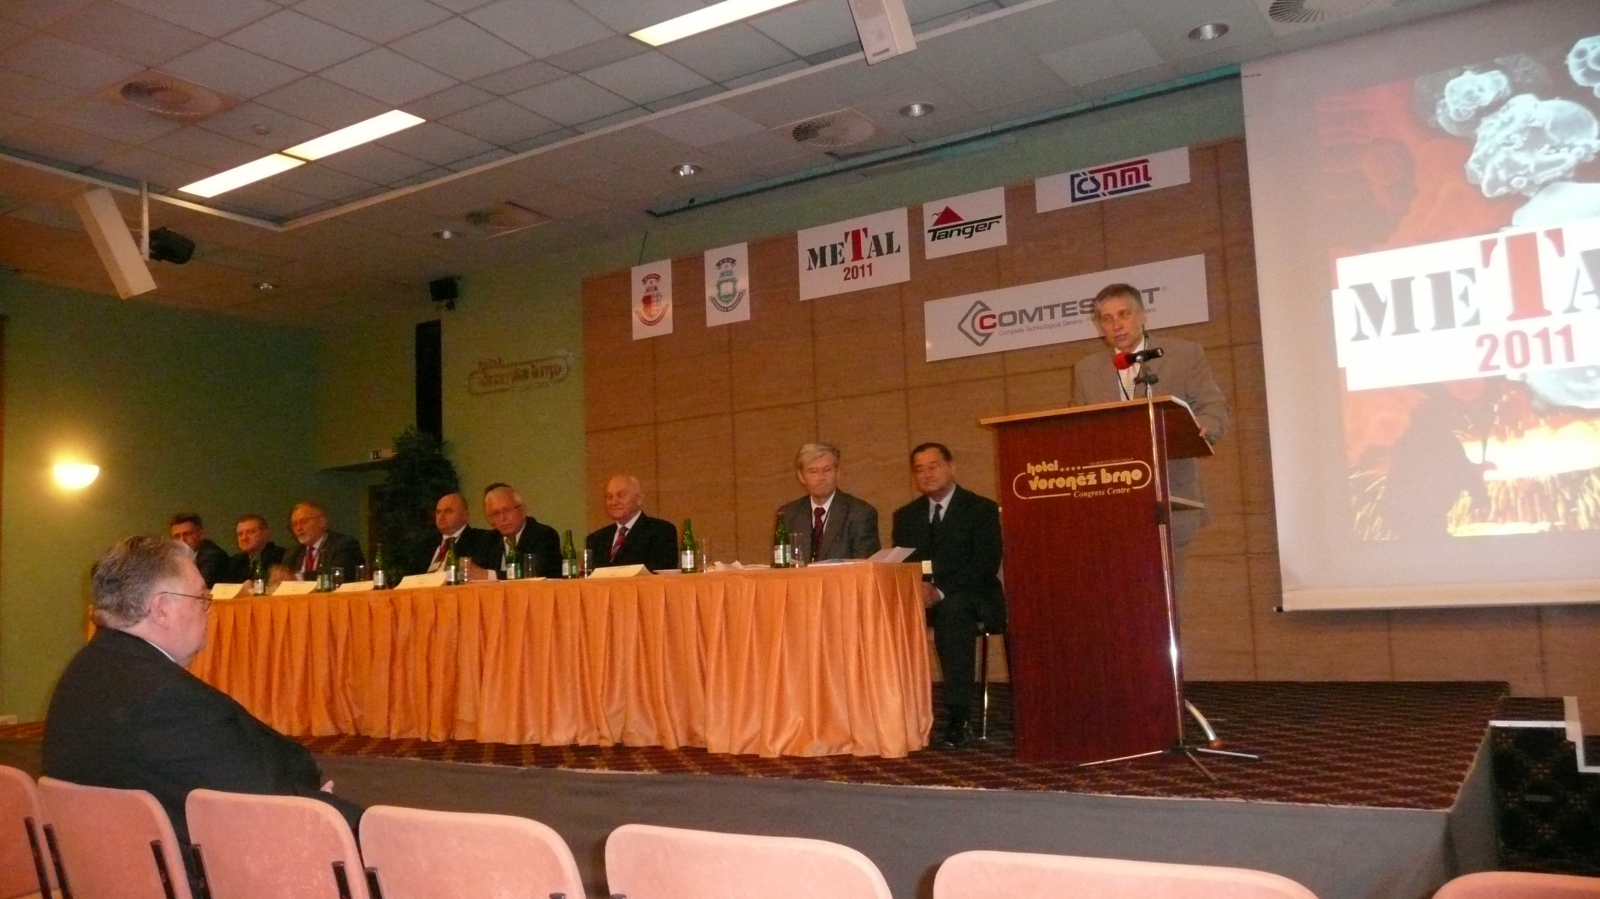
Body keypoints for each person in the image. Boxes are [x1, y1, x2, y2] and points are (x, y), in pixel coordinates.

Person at [42, 536, 364, 857]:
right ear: (161, 609)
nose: (208, 609)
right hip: (180, 868)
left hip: (107, 863)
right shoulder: (165, 697)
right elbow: (260, 800)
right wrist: (321, 806)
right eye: (200, 597)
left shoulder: (83, 671)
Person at [1071, 282, 1230, 585]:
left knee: (1164, 590)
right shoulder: (1086, 370)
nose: (1117, 325)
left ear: (1143, 315)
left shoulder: (1183, 354)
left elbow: (1214, 406)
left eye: (1124, 314)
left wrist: (1203, 428)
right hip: (1111, 501)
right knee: (1121, 591)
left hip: (1171, 495)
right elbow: (1077, 427)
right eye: (1107, 319)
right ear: (1099, 326)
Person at [890, 443, 1004, 750]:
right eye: (919, 469)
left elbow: (984, 565)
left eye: (934, 466)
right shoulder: (906, 516)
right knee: (881, 613)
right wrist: (917, 588)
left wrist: (938, 591)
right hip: (921, 599)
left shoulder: (980, 509)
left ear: (951, 467)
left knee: (953, 612)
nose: (927, 474)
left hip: (972, 598)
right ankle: (892, 712)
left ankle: (959, 717)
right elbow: (902, 566)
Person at [776, 443, 880, 562]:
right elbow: (782, 564)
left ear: (837, 472)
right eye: (813, 471)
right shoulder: (788, 514)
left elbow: (865, 567)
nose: (821, 478)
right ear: (801, 476)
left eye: (827, 470)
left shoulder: (860, 513)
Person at [585, 475, 678, 572]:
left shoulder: (661, 531)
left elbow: (662, 574)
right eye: (609, 497)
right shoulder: (596, 539)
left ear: (639, 499)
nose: (613, 502)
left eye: (621, 495)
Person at [477, 483, 562, 579]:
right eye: (495, 513)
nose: (502, 518)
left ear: (523, 510)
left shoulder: (544, 535)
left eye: (507, 510)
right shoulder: (488, 540)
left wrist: (489, 575)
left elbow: (535, 574)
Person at [282, 501, 366, 581]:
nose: (298, 528)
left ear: (322, 522)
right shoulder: (292, 553)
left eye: (303, 522)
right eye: (294, 524)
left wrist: (298, 577)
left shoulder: (344, 545)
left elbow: (339, 574)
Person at [423, 492, 496, 574]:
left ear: (465, 515)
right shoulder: (424, 545)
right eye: (438, 512)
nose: (441, 517)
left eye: (448, 511)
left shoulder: (483, 540)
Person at [167, 513, 229, 587]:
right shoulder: (173, 557)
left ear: (201, 534)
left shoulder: (213, 556)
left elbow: (198, 586)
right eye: (177, 536)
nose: (182, 540)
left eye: (187, 534)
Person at [223, 513, 286, 584]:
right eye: (240, 534)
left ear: (265, 534)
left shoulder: (280, 556)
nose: (244, 538)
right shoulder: (236, 561)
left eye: (250, 532)